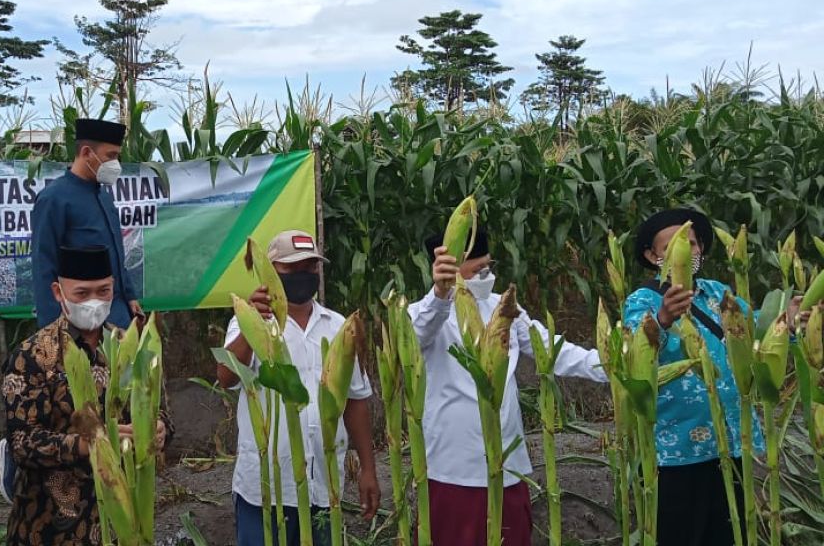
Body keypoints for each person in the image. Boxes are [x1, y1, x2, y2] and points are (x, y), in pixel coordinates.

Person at [412, 228, 607, 546]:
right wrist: (440, 294)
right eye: (477, 270)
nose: (486, 275)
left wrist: (609, 367)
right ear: (450, 269)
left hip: (509, 465)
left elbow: (551, 350)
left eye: (489, 266)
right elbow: (415, 337)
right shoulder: (428, 313)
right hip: (454, 468)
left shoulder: (504, 308)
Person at [622, 208, 804, 546]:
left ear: (701, 249)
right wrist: (661, 319)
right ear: (652, 255)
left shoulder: (719, 293)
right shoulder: (643, 300)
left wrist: (788, 326)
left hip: (731, 443)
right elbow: (633, 354)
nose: (685, 251)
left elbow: (753, 343)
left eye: (691, 244)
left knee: (729, 531)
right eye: (674, 245)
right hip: (678, 450)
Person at [217, 230, 380, 546]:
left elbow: (357, 401)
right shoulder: (247, 322)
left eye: (310, 267)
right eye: (292, 270)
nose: (303, 275)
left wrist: (368, 469)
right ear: (271, 273)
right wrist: (253, 321)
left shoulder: (338, 326)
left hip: (325, 484)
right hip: (265, 490)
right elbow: (227, 377)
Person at [3, 245, 170, 546]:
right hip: (50, 527)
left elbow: (161, 413)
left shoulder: (129, 347)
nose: (93, 302)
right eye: (81, 294)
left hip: (123, 522)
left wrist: (158, 430)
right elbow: (22, 444)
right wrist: (92, 444)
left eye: (103, 291)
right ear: (58, 292)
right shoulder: (31, 356)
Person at [31, 118, 142, 329]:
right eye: (111, 156)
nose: (115, 164)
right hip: (80, 315)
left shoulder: (104, 197)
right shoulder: (54, 199)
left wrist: (130, 295)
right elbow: (43, 263)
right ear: (86, 153)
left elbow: (116, 254)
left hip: (116, 313)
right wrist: (53, 328)